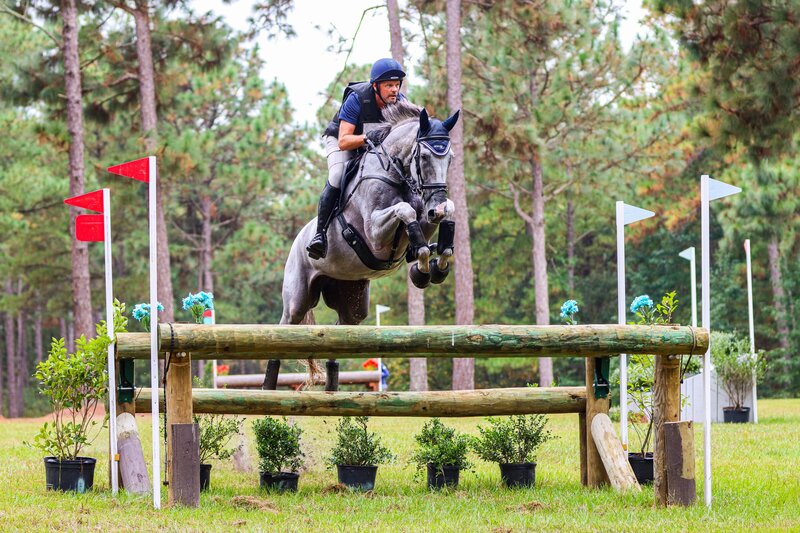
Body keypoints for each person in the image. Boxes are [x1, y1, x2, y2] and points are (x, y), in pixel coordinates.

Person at [306, 57, 409, 260]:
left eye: (397, 85)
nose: (394, 90)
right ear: (375, 86)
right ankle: (320, 235)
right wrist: (366, 137)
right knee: (337, 175)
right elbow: (344, 141)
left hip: (369, 147)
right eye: (389, 85)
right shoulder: (357, 98)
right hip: (341, 140)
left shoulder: (401, 102)